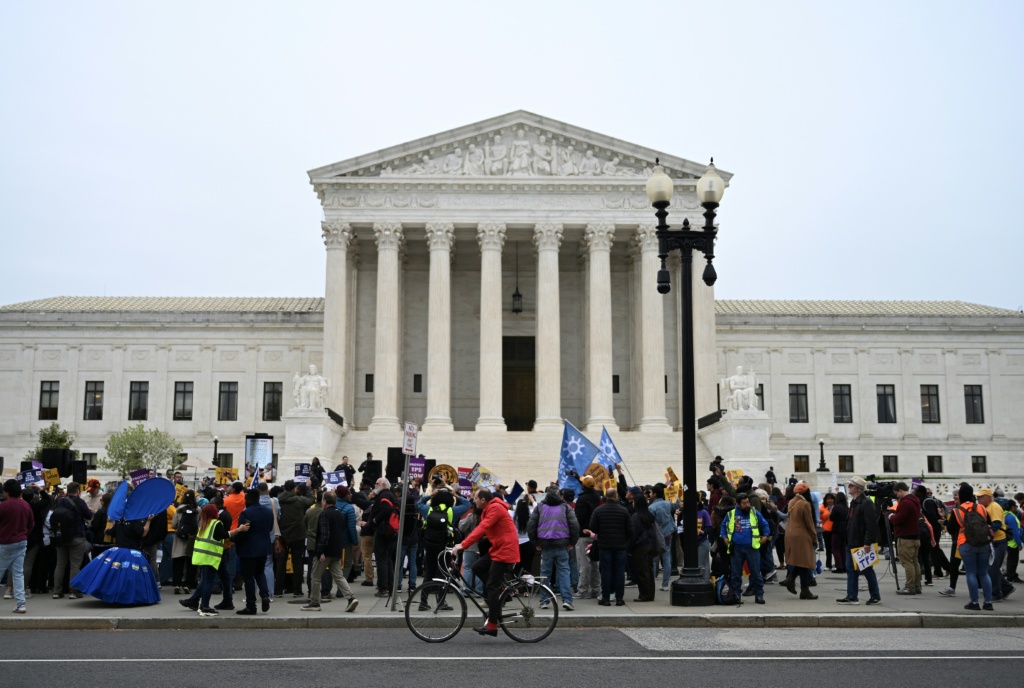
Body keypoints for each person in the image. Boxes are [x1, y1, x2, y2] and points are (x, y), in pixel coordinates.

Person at [453, 488, 520, 637]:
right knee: (477, 567)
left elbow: (482, 528)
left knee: (491, 586)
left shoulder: (495, 508)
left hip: (505, 550)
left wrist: (463, 545)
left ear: (483, 500)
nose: (474, 501)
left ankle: (492, 625)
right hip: (498, 548)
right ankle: (501, 591)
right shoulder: (488, 508)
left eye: (476, 498)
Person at [180, 504, 243, 616]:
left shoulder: (203, 524)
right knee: (209, 581)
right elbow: (224, 535)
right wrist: (239, 529)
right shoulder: (216, 524)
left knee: (205, 580)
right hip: (212, 557)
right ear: (214, 513)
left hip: (203, 556)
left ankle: (194, 600)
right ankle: (205, 606)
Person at [302, 491, 359, 612]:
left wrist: (320, 551)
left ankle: (315, 602)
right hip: (337, 550)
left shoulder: (324, 514)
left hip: (325, 552)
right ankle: (351, 597)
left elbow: (324, 534)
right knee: (338, 576)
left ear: (324, 502)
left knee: (315, 576)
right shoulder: (340, 514)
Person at [527, 485, 580, 611]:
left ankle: (544, 600)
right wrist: (572, 542)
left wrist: (535, 543)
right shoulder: (565, 507)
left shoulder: (540, 507)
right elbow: (574, 525)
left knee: (545, 573)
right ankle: (567, 600)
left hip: (545, 545)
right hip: (562, 544)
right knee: (564, 572)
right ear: (559, 494)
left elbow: (531, 525)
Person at [837, 477, 881, 605]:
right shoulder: (854, 502)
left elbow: (871, 525)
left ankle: (875, 596)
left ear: (857, 488)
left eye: (851, 485)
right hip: (852, 541)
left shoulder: (866, 503)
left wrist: (867, 542)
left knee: (867, 569)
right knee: (851, 569)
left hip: (861, 542)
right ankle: (852, 596)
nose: (849, 487)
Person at [722, 492, 769, 605]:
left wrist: (766, 535)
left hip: (752, 548)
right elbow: (723, 526)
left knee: (756, 573)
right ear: (738, 504)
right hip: (736, 548)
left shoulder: (754, 513)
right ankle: (736, 595)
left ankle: (759, 595)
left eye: (748, 502)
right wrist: (724, 537)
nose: (747, 505)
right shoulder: (731, 514)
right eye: (744, 503)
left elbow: (765, 524)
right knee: (735, 574)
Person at [587, 489, 632, 606]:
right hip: (620, 545)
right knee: (620, 572)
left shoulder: (598, 510)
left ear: (606, 496)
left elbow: (593, 527)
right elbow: (630, 530)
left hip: (604, 545)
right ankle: (619, 598)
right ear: (616, 496)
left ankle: (606, 598)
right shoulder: (624, 511)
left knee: (606, 571)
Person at [233, 489, 273, 615]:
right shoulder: (268, 511)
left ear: (249, 499)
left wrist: (233, 539)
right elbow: (270, 528)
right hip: (263, 548)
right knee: (260, 573)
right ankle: (265, 595)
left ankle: (251, 605)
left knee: (248, 577)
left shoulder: (246, 513)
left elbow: (242, 532)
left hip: (248, 550)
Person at [51, 481, 93, 599]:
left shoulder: (60, 501)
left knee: (60, 564)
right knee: (75, 565)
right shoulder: (80, 502)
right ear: (78, 491)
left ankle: (57, 591)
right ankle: (74, 591)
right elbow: (88, 516)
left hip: (61, 536)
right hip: (77, 536)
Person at [0, 479, 34, 614]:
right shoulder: (25, 505)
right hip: (21, 541)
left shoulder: (3, 506)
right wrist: (24, 534)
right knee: (18, 574)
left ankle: (20, 604)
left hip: (5, 542)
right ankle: (21, 604)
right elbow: (31, 524)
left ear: (7, 492)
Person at [976, 488, 1014, 602]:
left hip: (998, 541)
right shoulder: (987, 507)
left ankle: (996, 594)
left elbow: (996, 524)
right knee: (992, 568)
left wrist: (986, 533)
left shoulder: (994, 507)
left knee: (992, 569)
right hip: (994, 541)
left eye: (981, 497)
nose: (978, 499)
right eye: (978, 497)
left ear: (989, 497)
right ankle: (1006, 588)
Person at [277, 480, 313, 598]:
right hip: (298, 535)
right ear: (294, 489)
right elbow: (311, 500)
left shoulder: (278, 500)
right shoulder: (299, 500)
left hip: (282, 535)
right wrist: (308, 487)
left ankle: (278, 590)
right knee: (297, 563)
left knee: (280, 563)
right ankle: (297, 590)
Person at [783, 482, 818, 600]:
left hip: (790, 534)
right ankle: (803, 589)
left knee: (800, 562)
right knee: (805, 562)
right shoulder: (805, 504)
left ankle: (796, 583)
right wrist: (814, 538)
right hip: (802, 535)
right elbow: (810, 523)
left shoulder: (792, 502)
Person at [889, 481, 923, 595]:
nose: (896, 496)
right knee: (915, 562)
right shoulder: (915, 500)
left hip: (906, 537)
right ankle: (917, 585)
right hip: (915, 536)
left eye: (896, 493)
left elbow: (899, 519)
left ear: (900, 491)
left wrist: (891, 517)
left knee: (907, 563)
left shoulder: (905, 502)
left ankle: (910, 586)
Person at [573, 475, 602, 600]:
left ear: (583, 485)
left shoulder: (582, 499)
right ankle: (596, 589)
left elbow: (579, 518)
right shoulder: (597, 497)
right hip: (595, 534)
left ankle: (583, 590)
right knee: (595, 563)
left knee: (584, 563)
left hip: (583, 534)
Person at [648, 484, 675, 591]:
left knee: (654, 559)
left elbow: (650, 523)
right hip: (668, 533)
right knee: (667, 559)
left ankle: (652, 583)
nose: (650, 494)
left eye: (651, 492)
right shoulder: (668, 504)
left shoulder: (651, 507)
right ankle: (665, 584)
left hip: (656, 535)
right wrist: (673, 492)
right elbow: (677, 505)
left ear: (655, 494)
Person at [171, 490, 199, 594]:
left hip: (179, 539)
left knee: (178, 563)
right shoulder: (198, 509)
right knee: (190, 563)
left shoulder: (179, 509)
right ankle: (188, 584)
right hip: (192, 539)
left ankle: (177, 584)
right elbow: (199, 525)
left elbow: (174, 524)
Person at [828, 492, 849, 574]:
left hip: (837, 529)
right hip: (845, 529)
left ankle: (839, 566)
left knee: (835, 548)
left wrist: (830, 514)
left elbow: (832, 518)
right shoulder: (846, 507)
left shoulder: (836, 507)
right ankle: (844, 566)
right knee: (843, 548)